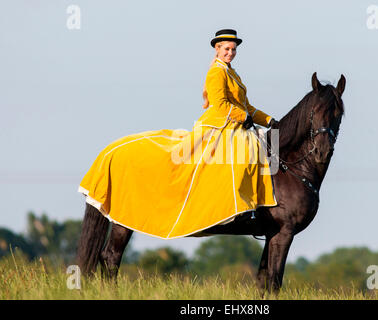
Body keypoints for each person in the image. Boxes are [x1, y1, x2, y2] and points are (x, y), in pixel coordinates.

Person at [78, 29, 278, 239]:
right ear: (217, 50)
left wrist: (269, 121)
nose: (230, 53)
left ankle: (256, 203)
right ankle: (241, 207)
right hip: (219, 125)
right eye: (227, 49)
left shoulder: (232, 73)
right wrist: (242, 117)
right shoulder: (216, 72)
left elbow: (246, 106)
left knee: (262, 143)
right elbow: (220, 105)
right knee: (243, 150)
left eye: (233, 50)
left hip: (234, 122)